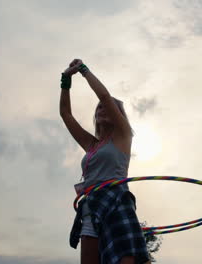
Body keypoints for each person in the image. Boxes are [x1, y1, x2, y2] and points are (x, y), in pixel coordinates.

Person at [60, 59, 150, 264]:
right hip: (92, 205)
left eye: (107, 108)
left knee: (126, 260)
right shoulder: (91, 145)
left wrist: (83, 70)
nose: (101, 108)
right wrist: (65, 80)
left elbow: (104, 96)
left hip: (116, 201)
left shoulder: (123, 136)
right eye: (98, 108)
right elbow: (66, 115)